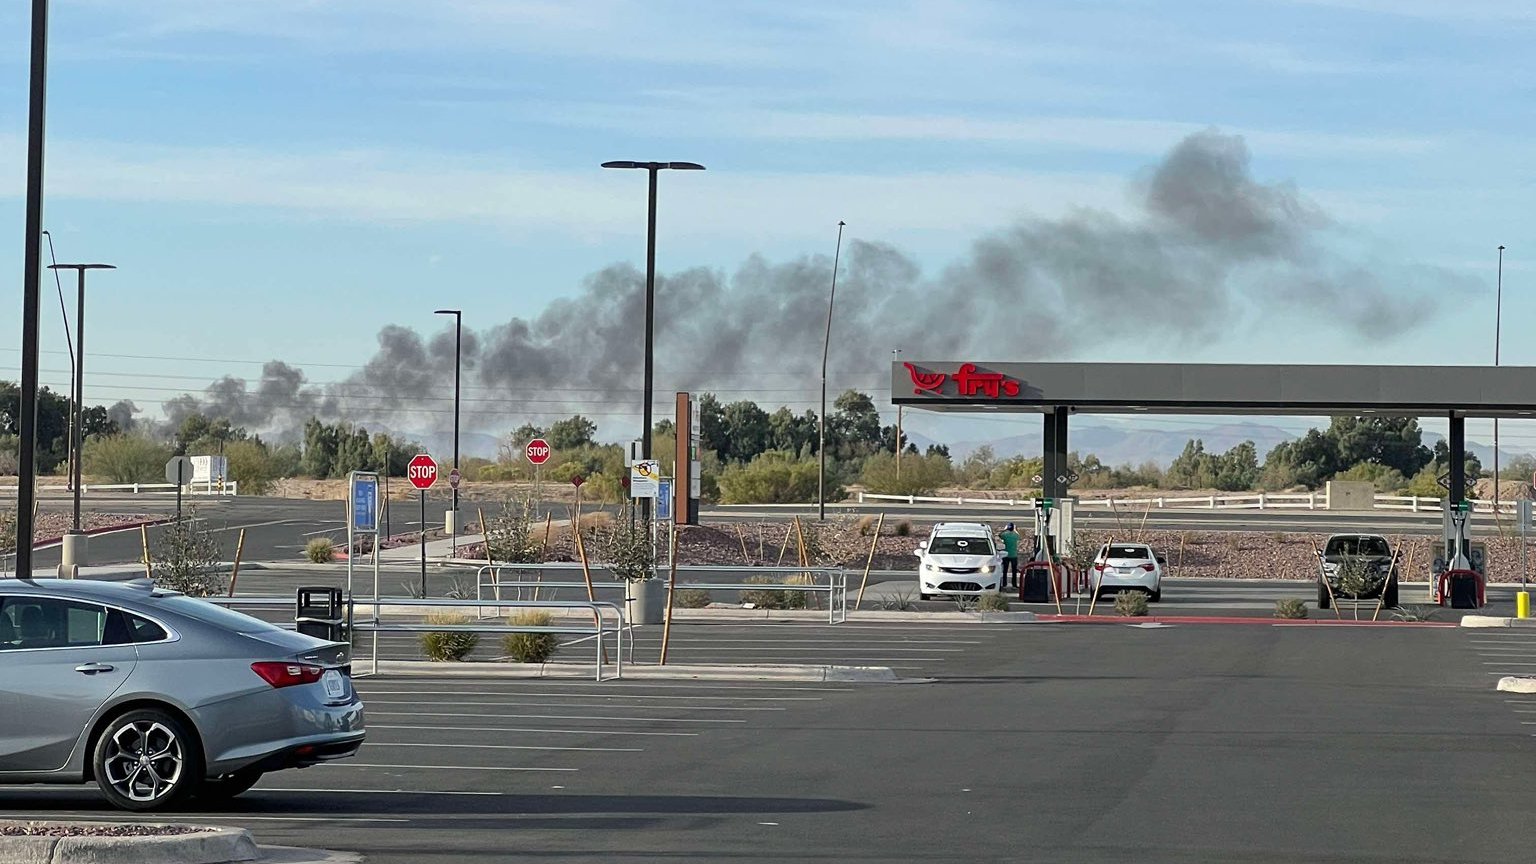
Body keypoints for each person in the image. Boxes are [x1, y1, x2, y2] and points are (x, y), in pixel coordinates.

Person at [998, 522, 1022, 590]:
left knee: (1005, 570)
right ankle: (1014, 584)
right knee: (1014, 571)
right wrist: (1016, 529)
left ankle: (1004, 584)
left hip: (1006, 555)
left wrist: (1004, 529)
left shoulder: (1005, 535)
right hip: (1014, 555)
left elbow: (999, 535)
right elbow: (1019, 536)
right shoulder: (1015, 535)